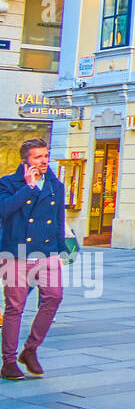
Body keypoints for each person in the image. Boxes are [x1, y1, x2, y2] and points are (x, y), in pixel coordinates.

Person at [0, 138, 66, 380]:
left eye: (46, 156)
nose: (44, 161)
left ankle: (30, 350)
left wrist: (61, 252)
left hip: (47, 252)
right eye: (38, 157)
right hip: (16, 253)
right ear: (25, 159)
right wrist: (27, 188)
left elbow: (59, 218)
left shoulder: (55, 185)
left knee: (54, 297)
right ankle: (8, 361)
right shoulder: (8, 183)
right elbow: (4, 211)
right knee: (14, 307)